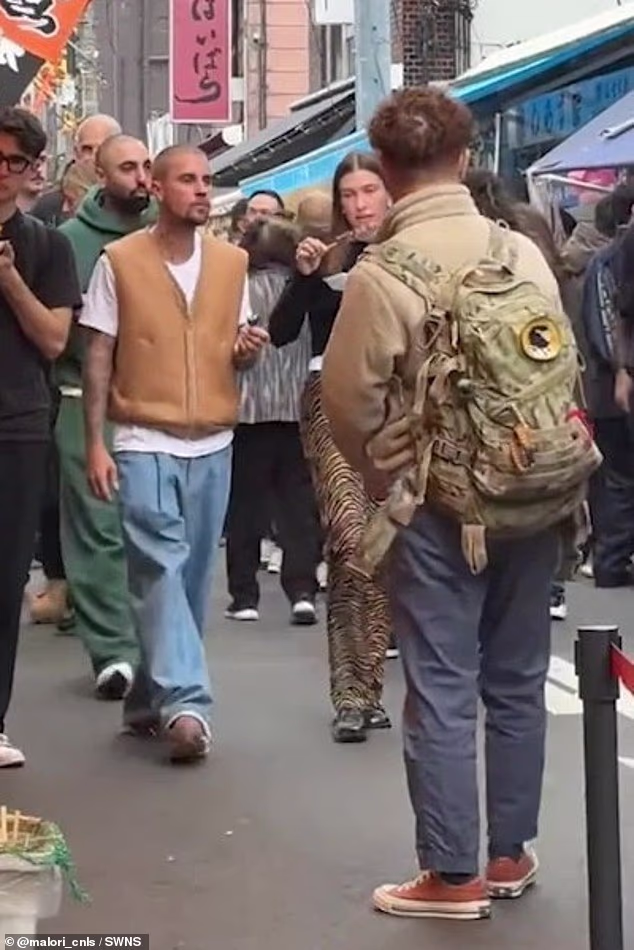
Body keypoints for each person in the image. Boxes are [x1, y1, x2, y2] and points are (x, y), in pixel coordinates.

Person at [322, 88, 597, 920]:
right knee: (514, 679)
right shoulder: (521, 251)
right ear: (466, 159)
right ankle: (509, 853)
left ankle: (451, 873)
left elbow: (347, 402)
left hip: (443, 506)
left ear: (386, 171)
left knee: (443, 683)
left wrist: (382, 475)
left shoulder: (382, 273)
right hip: (538, 488)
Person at [81, 145, 268, 763]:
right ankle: (188, 705)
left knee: (186, 584)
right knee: (158, 568)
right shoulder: (119, 261)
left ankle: (146, 701)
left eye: (207, 181)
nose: (201, 191)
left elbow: (234, 349)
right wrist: (96, 444)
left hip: (214, 439)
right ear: (158, 189)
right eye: (187, 180)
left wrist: (246, 351)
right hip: (141, 438)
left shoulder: (232, 263)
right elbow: (99, 353)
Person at [269, 152, 394, 744]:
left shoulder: (412, 251)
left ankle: (381, 678)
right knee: (349, 537)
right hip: (331, 396)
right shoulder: (328, 256)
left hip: (403, 401)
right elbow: (280, 332)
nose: (359, 205)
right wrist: (304, 275)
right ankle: (351, 692)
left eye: (369, 191)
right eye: (349, 195)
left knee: (396, 542)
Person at [56, 135, 156, 699]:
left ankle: (152, 646)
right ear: (99, 171)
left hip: (155, 400)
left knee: (150, 530)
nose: (140, 178)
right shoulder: (70, 242)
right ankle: (113, 650)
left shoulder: (169, 231)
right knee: (97, 529)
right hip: (80, 398)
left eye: (146, 167)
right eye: (128, 168)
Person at [0, 107, 81, 767]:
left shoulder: (47, 246)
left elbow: (55, 339)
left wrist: (8, 279)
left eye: (15, 164)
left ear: (31, 171)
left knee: (4, 581)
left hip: (18, 426)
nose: (2, 175)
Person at [225, 216, 319, 625]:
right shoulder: (301, 287)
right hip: (296, 408)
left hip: (249, 411)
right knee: (297, 505)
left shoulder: (237, 288)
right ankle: (302, 591)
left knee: (247, 506)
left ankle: (244, 596)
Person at [32, 114, 122, 227]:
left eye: (101, 149)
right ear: (76, 153)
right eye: (87, 149)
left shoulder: (131, 200)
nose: (93, 157)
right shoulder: (48, 206)